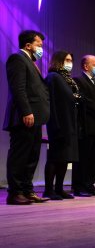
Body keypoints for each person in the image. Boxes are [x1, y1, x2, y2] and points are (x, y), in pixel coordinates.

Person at [3, 30, 50, 205]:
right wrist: (26, 111)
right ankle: (15, 193)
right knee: (20, 155)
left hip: (35, 118)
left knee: (32, 156)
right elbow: (18, 89)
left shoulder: (30, 61)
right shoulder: (17, 59)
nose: (41, 49)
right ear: (28, 45)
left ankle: (27, 191)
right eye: (38, 45)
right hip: (24, 117)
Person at [43, 51, 80, 200]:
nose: (70, 62)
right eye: (67, 59)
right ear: (59, 60)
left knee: (65, 157)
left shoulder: (67, 79)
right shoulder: (53, 77)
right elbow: (50, 102)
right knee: (55, 157)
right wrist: (55, 124)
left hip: (70, 123)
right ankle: (48, 190)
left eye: (71, 60)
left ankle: (59, 188)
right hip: (58, 123)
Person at [72, 55, 95, 197]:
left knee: (94, 158)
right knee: (84, 157)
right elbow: (83, 99)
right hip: (86, 125)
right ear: (86, 66)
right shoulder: (78, 80)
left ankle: (89, 185)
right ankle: (79, 186)